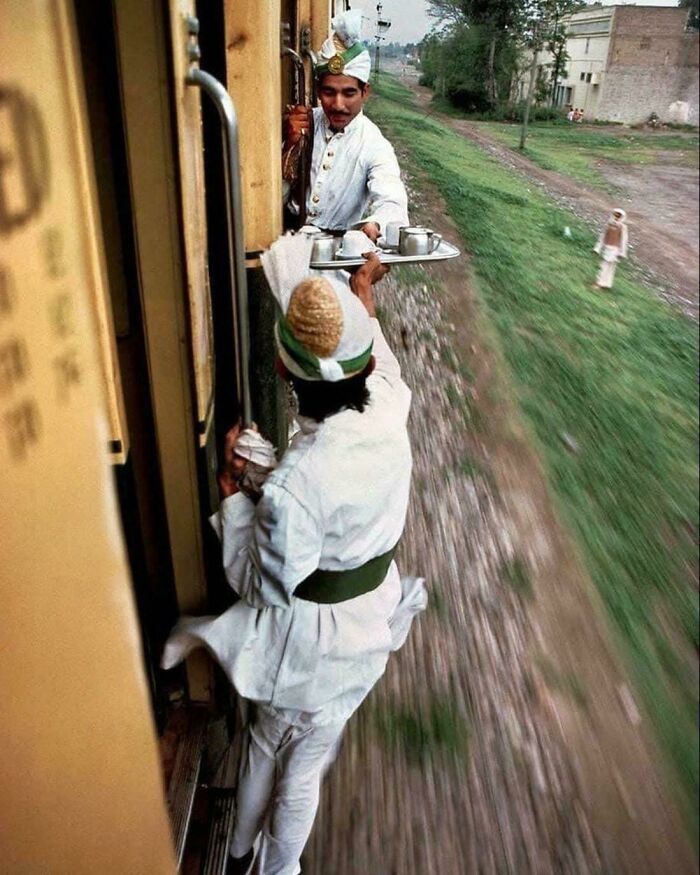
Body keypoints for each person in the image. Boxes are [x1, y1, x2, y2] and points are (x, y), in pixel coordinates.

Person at [162, 234, 427, 875]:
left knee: (264, 740)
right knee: (308, 758)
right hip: (367, 622)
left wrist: (233, 498)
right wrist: (364, 296)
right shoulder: (390, 404)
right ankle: (273, 868)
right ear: (362, 365)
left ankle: (247, 855)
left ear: (282, 371)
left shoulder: (294, 485)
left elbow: (262, 587)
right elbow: (381, 360)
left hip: (311, 645)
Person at [283, 9, 409, 243]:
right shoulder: (301, 123)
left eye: (349, 93)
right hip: (286, 245)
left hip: (338, 258)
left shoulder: (374, 144)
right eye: (329, 92)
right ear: (319, 91)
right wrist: (289, 145)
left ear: (365, 92)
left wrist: (376, 222)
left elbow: (393, 201)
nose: (338, 105)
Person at [593, 208, 629, 290]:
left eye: (618, 216)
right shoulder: (609, 225)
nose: (616, 217)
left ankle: (603, 283)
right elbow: (603, 237)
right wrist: (597, 248)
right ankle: (601, 282)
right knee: (604, 265)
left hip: (615, 250)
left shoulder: (622, 227)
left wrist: (622, 252)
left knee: (608, 267)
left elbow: (624, 240)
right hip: (607, 248)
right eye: (615, 215)